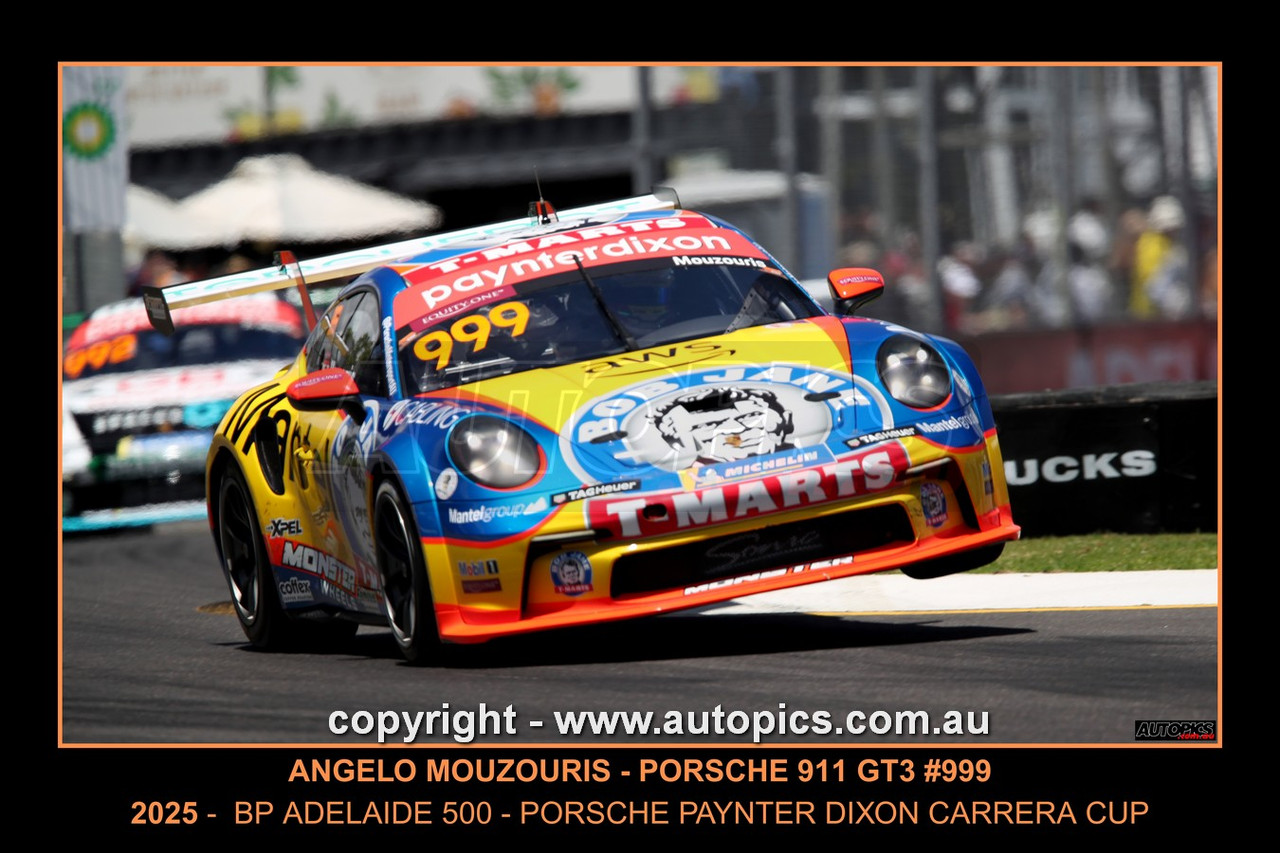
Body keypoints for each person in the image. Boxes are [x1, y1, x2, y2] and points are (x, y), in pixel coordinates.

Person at [1130, 195, 1191, 319]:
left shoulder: (1167, 243)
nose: (1174, 230)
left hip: (1160, 314)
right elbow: (1153, 286)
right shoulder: (1151, 244)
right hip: (1149, 316)